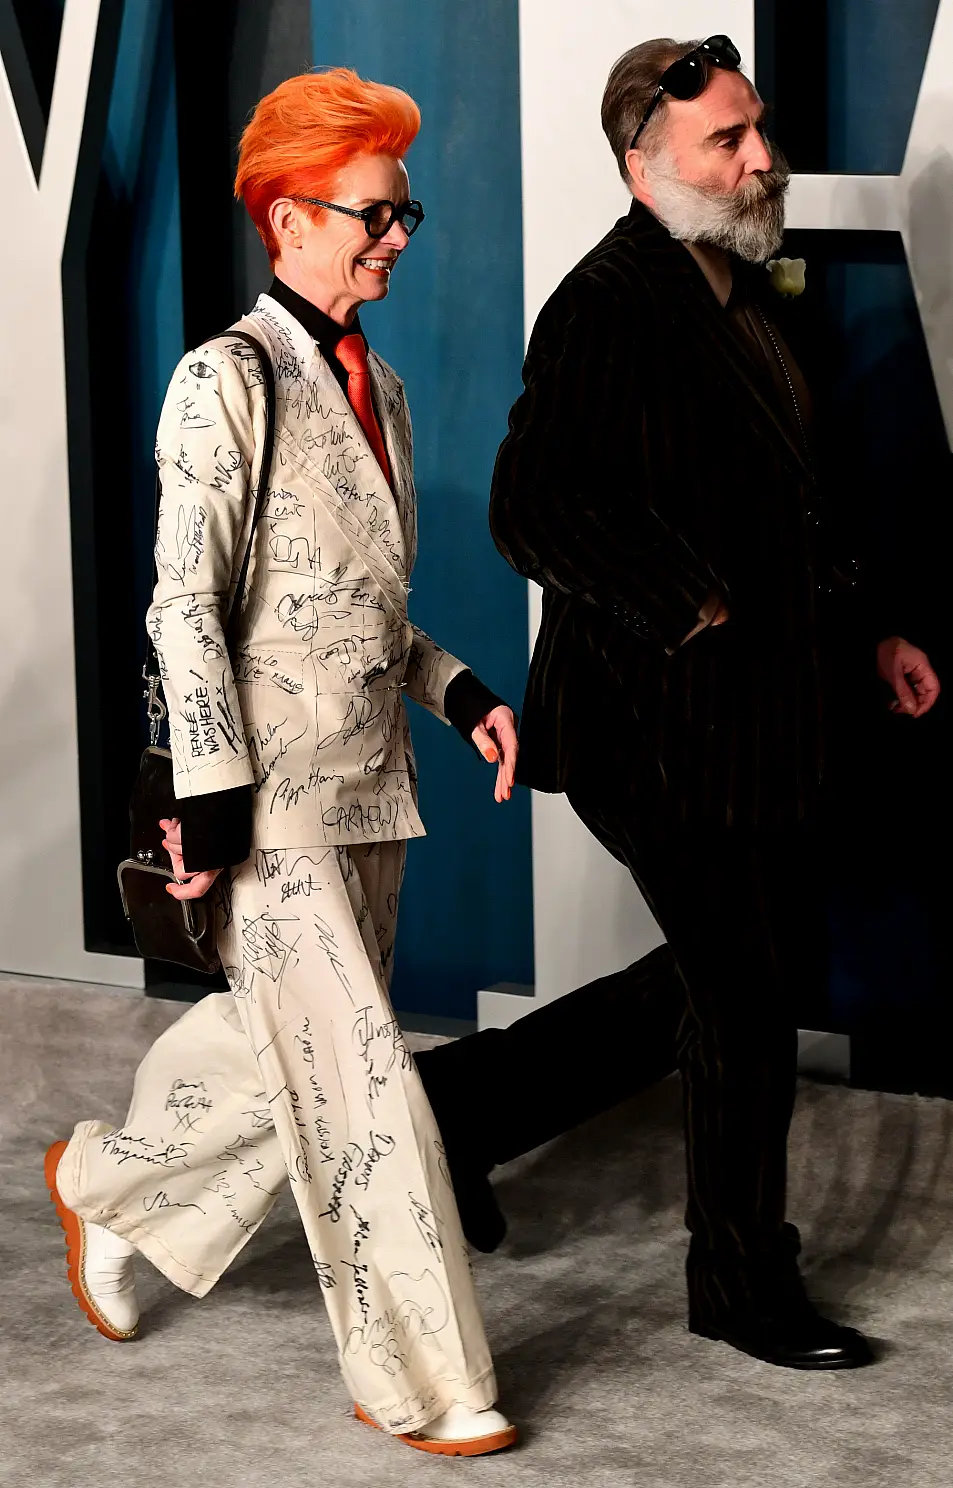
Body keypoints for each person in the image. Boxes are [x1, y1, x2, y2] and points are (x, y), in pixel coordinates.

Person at [417, 35, 941, 1370]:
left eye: (756, 129)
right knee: (751, 995)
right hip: (653, 734)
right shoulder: (606, 306)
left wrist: (871, 627)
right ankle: (741, 1281)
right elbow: (530, 505)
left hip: (759, 725)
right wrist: (687, 601)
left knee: (721, 982)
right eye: (728, 141)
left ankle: (461, 1107)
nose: (761, 156)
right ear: (641, 167)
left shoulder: (740, 285)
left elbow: (793, 503)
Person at [44, 68, 520, 1458]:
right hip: (271, 805)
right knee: (366, 1088)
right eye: (372, 214)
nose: (397, 238)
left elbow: (351, 604)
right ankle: (426, 1383)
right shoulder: (221, 380)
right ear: (285, 215)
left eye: (404, 213)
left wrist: (462, 687)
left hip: (378, 787)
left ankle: (106, 1184)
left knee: (285, 1060)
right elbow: (185, 603)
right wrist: (210, 789)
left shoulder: (389, 393)